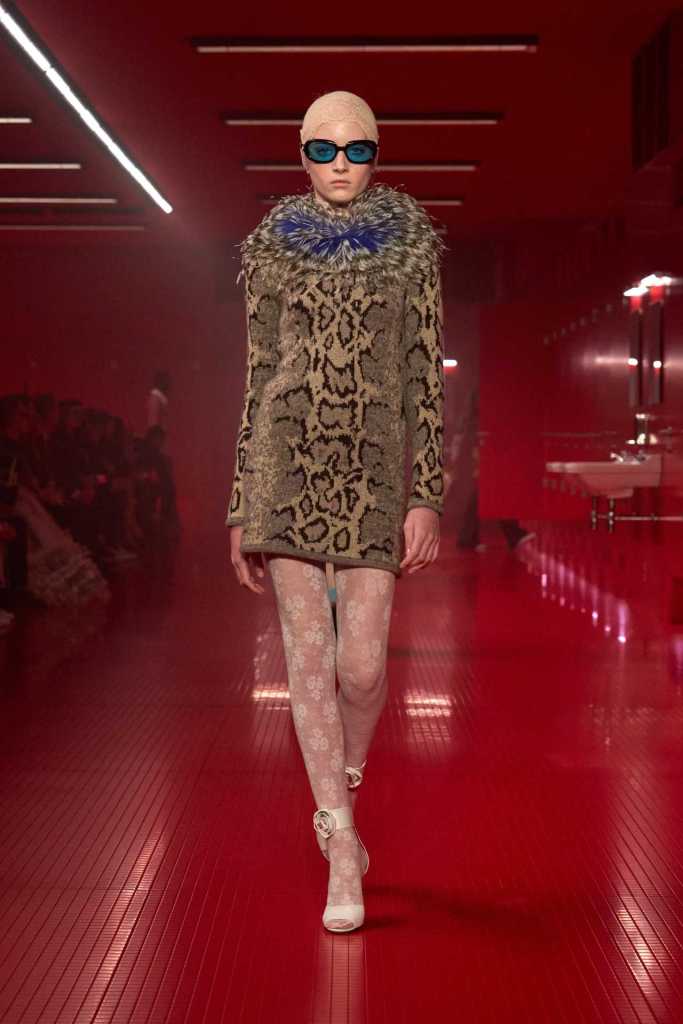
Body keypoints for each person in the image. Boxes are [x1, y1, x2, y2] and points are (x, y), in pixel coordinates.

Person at [226, 91, 445, 932]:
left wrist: (425, 494)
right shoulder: (272, 247)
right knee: (307, 661)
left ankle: (340, 785)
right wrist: (240, 504)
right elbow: (258, 375)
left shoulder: (410, 247)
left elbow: (425, 376)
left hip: (373, 475)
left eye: (356, 150)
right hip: (285, 470)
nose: (340, 165)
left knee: (360, 668)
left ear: (377, 155)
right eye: (323, 150)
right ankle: (340, 840)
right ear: (301, 155)